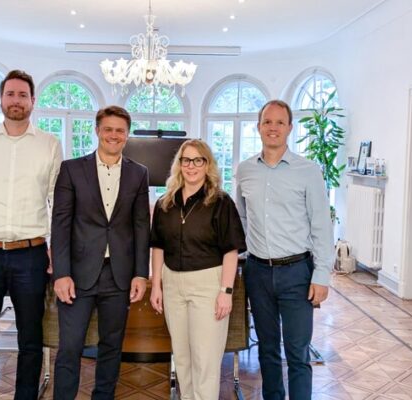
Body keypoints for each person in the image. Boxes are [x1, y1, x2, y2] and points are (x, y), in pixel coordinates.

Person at [0, 69, 63, 400]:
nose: (16, 100)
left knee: (30, 342)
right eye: (10, 94)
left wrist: (53, 248)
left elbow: (56, 201)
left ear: (33, 101)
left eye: (22, 95)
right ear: (1, 99)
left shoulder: (49, 144)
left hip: (30, 255)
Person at [236, 100, 334, 400]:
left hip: (297, 273)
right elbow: (241, 218)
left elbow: (321, 225)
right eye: (267, 122)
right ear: (258, 127)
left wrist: (322, 275)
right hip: (257, 272)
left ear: (290, 128)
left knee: (297, 352)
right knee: (267, 350)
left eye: (280, 122)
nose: (273, 128)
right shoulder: (245, 170)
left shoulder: (308, 171)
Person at [51, 105, 150, 400]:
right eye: (108, 129)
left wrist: (140, 274)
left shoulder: (138, 173)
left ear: (127, 135)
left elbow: (141, 226)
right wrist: (61, 273)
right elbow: (60, 224)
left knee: (111, 347)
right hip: (77, 274)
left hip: (118, 275)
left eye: (120, 130)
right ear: (97, 131)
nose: (114, 135)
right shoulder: (71, 169)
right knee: (70, 347)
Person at [149, 139, 246, 400]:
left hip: (208, 284)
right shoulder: (165, 203)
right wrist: (156, 285)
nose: (191, 166)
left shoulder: (221, 202)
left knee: (205, 360)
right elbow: (157, 246)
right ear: (179, 164)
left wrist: (226, 291)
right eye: (186, 160)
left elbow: (231, 251)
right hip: (172, 283)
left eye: (198, 160)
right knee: (182, 358)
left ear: (207, 164)